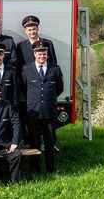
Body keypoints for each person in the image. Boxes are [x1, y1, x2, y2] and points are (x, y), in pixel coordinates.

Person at [21, 40, 64, 173]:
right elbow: (24, 88)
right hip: (33, 112)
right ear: (34, 54)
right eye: (39, 54)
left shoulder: (55, 69)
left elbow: (59, 88)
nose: (42, 56)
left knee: (50, 142)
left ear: (47, 54)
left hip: (49, 113)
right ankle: (35, 168)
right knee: (34, 142)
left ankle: (50, 168)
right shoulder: (26, 69)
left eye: (44, 54)